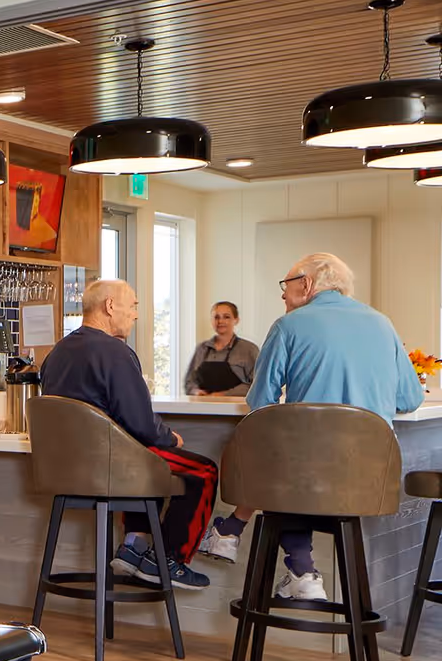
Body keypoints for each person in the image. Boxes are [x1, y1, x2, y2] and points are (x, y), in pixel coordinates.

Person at [195, 253, 423, 601]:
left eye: (286, 285)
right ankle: (276, 558)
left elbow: (260, 403)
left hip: (305, 477)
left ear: (307, 284)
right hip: (372, 478)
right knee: (290, 463)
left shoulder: (290, 326)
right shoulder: (382, 323)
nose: (283, 295)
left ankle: (268, 550)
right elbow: (409, 399)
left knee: (282, 460)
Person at [40, 278, 216, 590]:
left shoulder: (57, 353)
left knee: (141, 455)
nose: (136, 314)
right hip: (110, 462)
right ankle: (168, 561)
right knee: (203, 471)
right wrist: (170, 437)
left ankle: (134, 546)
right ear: (110, 306)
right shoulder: (115, 352)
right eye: (133, 305)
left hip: (68, 468)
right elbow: (141, 425)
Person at [182, 301, 259, 396]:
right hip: (203, 406)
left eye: (226, 317)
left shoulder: (249, 349)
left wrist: (224, 394)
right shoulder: (201, 348)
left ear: (236, 320)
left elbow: (256, 384)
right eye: (216, 317)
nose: (220, 321)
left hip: (237, 409)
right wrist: (196, 391)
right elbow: (189, 381)